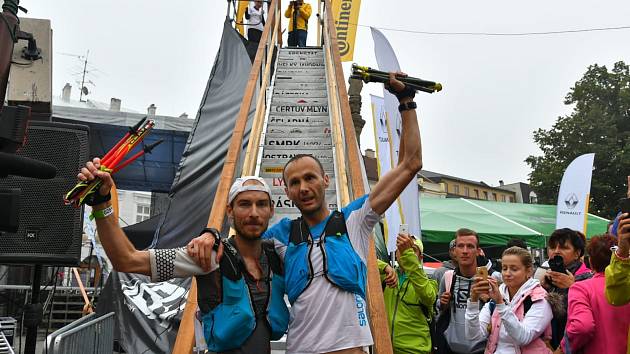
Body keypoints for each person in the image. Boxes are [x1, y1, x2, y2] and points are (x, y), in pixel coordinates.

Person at [188, 71, 423, 353]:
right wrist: (210, 234)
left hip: (347, 348)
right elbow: (240, 239)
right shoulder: (279, 236)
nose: (303, 187)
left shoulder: (355, 220)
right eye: (294, 182)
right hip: (300, 347)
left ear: (326, 180)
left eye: (310, 178)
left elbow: (410, 164)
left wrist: (406, 100)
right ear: (286, 192)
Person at [78, 161, 288, 354]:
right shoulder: (208, 256)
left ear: (271, 210)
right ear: (229, 211)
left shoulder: (277, 254)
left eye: (261, 204)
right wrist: (101, 203)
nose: (253, 213)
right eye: (244, 204)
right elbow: (126, 260)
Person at [465, 246, 553, 353]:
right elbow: (473, 336)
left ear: (529, 271)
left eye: (514, 269)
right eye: (504, 268)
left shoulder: (540, 299)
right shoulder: (497, 295)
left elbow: (524, 338)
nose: (507, 273)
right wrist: (473, 300)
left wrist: (500, 304)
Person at [559, 235, 630, 354]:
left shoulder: (580, 288)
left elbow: (582, 327)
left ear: (590, 261)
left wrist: (563, 348)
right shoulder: (626, 286)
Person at [378, 234, 438, 354]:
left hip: (414, 351)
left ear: (420, 257)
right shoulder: (387, 276)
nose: (405, 252)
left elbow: (429, 297)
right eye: (401, 249)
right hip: (385, 348)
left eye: (412, 249)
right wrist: (385, 266)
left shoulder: (429, 282)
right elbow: (364, 261)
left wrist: (407, 255)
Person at [536, 228, 592, 350]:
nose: (556, 252)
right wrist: (541, 290)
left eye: (563, 248)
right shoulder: (546, 278)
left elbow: (586, 324)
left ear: (577, 253)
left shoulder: (588, 279)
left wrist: (573, 288)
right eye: (552, 247)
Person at [436, 228, 487, 354]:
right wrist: (442, 304)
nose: (465, 251)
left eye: (470, 246)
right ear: (454, 251)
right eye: (460, 246)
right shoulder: (448, 278)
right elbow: (438, 310)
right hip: (451, 349)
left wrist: (491, 300)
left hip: (482, 350)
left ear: (478, 251)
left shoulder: (490, 280)